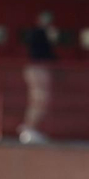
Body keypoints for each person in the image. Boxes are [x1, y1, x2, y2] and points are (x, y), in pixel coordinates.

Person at [19, 11, 55, 144]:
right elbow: (44, 52)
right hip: (36, 68)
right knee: (38, 98)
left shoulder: (43, 34)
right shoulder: (38, 33)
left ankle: (30, 128)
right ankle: (29, 128)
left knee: (41, 99)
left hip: (38, 68)